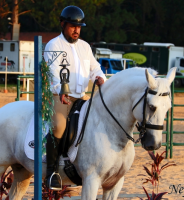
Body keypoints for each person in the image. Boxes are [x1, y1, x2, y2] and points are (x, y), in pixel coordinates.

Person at [43, 5, 106, 190]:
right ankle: (51, 172)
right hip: (60, 96)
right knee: (59, 127)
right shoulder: (53, 45)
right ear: (63, 24)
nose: (76, 30)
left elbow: (94, 68)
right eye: (72, 26)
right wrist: (61, 90)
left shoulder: (85, 47)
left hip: (81, 97)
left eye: (79, 27)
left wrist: (100, 78)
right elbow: (52, 73)